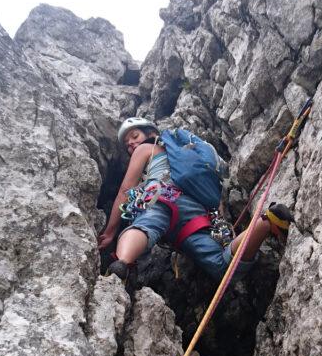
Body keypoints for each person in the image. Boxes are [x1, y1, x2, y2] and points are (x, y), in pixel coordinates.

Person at [97, 117, 292, 283]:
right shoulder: (185, 155)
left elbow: (125, 190)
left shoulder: (147, 148)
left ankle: (122, 264)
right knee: (222, 265)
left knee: (145, 226)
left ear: (149, 133)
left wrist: (110, 232)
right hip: (195, 213)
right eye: (127, 144)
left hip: (160, 196)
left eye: (134, 136)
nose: (131, 143)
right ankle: (266, 221)